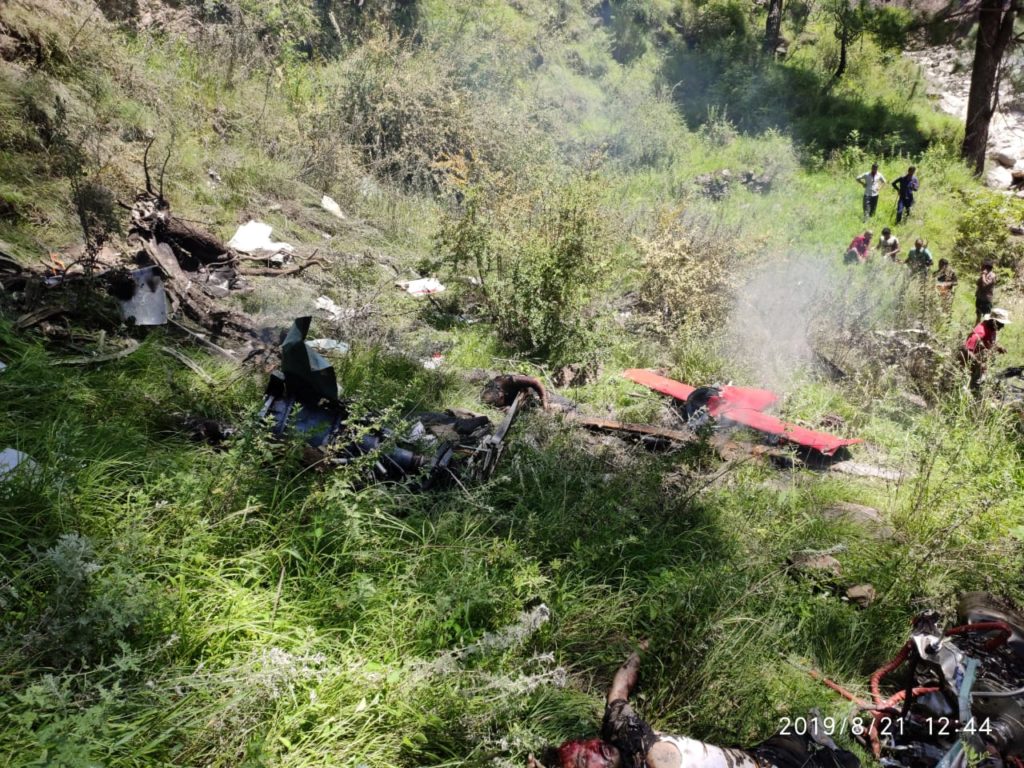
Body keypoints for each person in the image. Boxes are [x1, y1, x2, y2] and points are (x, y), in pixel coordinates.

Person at [528, 646, 860, 768]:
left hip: (759, 757)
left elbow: (618, 692)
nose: (597, 751)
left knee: (803, 737)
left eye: (590, 746)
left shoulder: (621, 734)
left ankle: (817, 740)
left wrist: (641, 650)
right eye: (587, 762)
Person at [960, 308, 1010, 392]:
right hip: (970, 369)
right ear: (993, 321)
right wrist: (978, 363)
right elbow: (965, 349)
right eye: (1001, 323)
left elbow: (988, 342)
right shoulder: (980, 332)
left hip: (980, 368)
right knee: (971, 390)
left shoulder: (992, 328)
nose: (1003, 326)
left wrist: (998, 347)